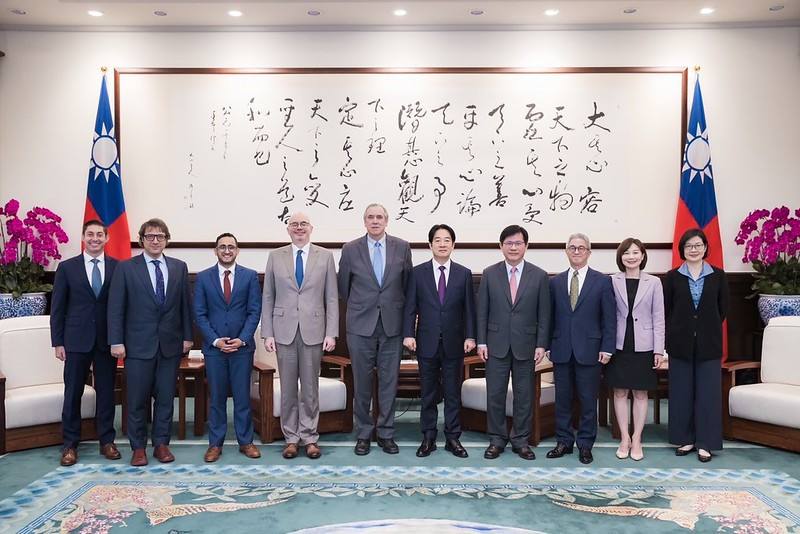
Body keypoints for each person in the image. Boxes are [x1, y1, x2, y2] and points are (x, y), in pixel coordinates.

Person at [108, 218, 193, 467]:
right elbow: (116, 308)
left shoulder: (179, 267)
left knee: (166, 397)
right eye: (150, 236)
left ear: (167, 239)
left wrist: (188, 336)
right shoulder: (126, 268)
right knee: (136, 398)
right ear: (141, 239)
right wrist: (116, 341)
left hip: (170, 345)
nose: (155, 240)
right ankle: (138, 448)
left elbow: (185, 306)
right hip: (136, 345)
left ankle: (161, 444)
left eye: (160, 236)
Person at [262, 212, 338, 460]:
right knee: (287, 388)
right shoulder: (276, 256)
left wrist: (331, 332)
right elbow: (268, 296)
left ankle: (310, 437)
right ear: (288, 229)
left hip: (314, 331)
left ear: (311, 228)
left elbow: (331, 298)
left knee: (310, 388)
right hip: (283, 331)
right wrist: (268, 332)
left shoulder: (325, 257)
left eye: (303, 223)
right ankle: (291, 438)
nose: (299, 228)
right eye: (294, 224)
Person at [338, 203, 412, 455]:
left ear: (387, 220)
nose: (375, 221)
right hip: (360, 325)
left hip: (392, 325)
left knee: (389, 383)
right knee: (362, 382)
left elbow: (406, 285)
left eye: (380, 217)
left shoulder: (402, 247)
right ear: (364, 221)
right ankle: (364, 434)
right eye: (370, 217)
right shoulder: (350, 249)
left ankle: (386, 433)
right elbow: (343, 288)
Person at [477, 225, 551, 461]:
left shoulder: (539, 275)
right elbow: (482, 312)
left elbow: (544, 314)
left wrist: (541, 344)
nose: (513, 247)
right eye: (508, 243)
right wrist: (481, 342)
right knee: (495, 394)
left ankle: (521, 440)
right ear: (501, 247)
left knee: (524, 395)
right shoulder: (489, 273)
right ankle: (497, 440)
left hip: (527, 345)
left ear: (526, 246)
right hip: (495, 343)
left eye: (518, 243)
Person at [50, 219, 120, 467]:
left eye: (99, 235)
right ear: (83, 237)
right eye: (90, 234)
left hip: (106, 341)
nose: (95, 239)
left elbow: (120, 307)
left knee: (106, 394)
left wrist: (119, 339)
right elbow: (57, 308)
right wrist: (57, 342)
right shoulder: (67, 268)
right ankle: (69, 445)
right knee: (72, 393)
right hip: (75, 341)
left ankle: (107, 441)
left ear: (107, 238)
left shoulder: (117, 267)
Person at [402, 224, 476, 458]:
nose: (442, 244)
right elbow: (410, 307)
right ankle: (429, 437)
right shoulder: (418, 272)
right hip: (426, 341)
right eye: (437, 240)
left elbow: (469, 310)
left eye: (447, 240)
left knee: (453, 392)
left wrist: (471, 336)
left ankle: (453, 438)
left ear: (453, 245)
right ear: (430, 244)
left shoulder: (463, 273)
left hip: (455, 342)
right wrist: (408, 334)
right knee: (428, 392)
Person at [546, 233, 615, 465]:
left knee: (587, 400)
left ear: (589, 252)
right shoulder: (554, 282)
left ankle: (585, 444)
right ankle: (564, 441)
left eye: (581, 248)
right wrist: (546, 345)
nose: (576, 251)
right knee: (562, 399)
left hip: (591, 350)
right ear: (566, 251)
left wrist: (607, 347)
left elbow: (609, 319)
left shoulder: (603, 281)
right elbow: (549, 317)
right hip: (562, 349)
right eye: (572, 248)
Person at [194, 233, 262, 462]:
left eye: (231, 247)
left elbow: (254, 311)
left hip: (242, 348)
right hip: (214, 349)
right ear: (215, 251)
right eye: (222, 247)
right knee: (217, 398)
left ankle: (246, 442)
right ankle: (215, 444)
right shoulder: (203, 278)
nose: (226, 250)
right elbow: (200, 314)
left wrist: (242, 339)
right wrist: (216, 340)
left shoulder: (250, 277)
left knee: (243, 397)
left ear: (237, 250)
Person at [664, 228, 729, 463]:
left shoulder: (719, 276)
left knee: (708, 395)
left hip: (708, 343)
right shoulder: (672, 277)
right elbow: (667, 310)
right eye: (689, 246)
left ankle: (705, 443)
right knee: (681, 393)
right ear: (682, 249)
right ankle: (686, 439)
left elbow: (722, 310)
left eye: (698, 245)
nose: (694, 249)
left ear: (705, 248)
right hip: (679, 344)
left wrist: (702, 328)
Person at [606, 238, 665, 461]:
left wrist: (659, 350)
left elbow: (659, 318)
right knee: (619, 392)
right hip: (619, 344)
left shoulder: (654, 282)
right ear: (620, 257)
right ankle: (624, 438)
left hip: (644, 345)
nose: (631, 257)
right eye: (626, 253)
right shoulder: (612, 281)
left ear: (642, 256)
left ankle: (637, 438)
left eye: (635, 252)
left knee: (641, 393)